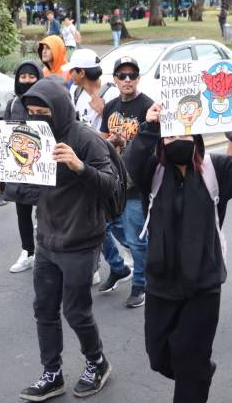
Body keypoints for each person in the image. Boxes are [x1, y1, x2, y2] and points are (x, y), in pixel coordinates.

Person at [124, 100, 232, 403]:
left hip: (203, 284)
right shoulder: (152, 172)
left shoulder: (217, 169)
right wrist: (150, 126)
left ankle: (195, 373)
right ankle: (200, 371)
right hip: (161, 283)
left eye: (184, 134)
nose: (177, 140)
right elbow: (132, 162)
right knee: (159, 357)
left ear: (197, 137)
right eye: (169, 136)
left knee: (190, 364)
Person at [0, 78, 116, 401]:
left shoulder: (85, 139)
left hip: (82, 240)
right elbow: (19, 188)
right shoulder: (30, 137)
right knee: (44, 308)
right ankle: (52, 372)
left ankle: (97, 362)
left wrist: (79, 165)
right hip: (46, 238)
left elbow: (111, 185)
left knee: (76, 311)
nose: (35, 116)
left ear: (58, 109)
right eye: (30, 111)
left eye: (42, 110)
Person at [97, 57, 153, 307]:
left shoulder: (148, 106)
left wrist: (127, 144)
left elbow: (152, 146)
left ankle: (141, 283)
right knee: (101, 229)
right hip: (110, 181)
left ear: (138, 78)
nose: (127, 80)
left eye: (132, 75)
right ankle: (119, 268)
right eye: (122, 76)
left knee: (137, 239)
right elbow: (100, 142)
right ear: (115, 80)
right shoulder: (109, 107)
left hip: (135, 183)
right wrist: (110, 143)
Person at [1, 61, 45, 273]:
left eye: (31, 76)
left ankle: (48, 254)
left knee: (47, 213)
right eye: (23, 77)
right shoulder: (12, 105)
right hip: (21, 169)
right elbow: (6, 137)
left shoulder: (48, 101)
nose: (27, 80)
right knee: (22, 212)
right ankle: (28, 251)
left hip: (45, 168)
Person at [64, 48, 119, 131]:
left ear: (82, 73)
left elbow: (119, 131)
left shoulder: (112, 93)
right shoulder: (75, 90)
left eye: (72, 70)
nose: (70, 73)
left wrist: (103, 111)